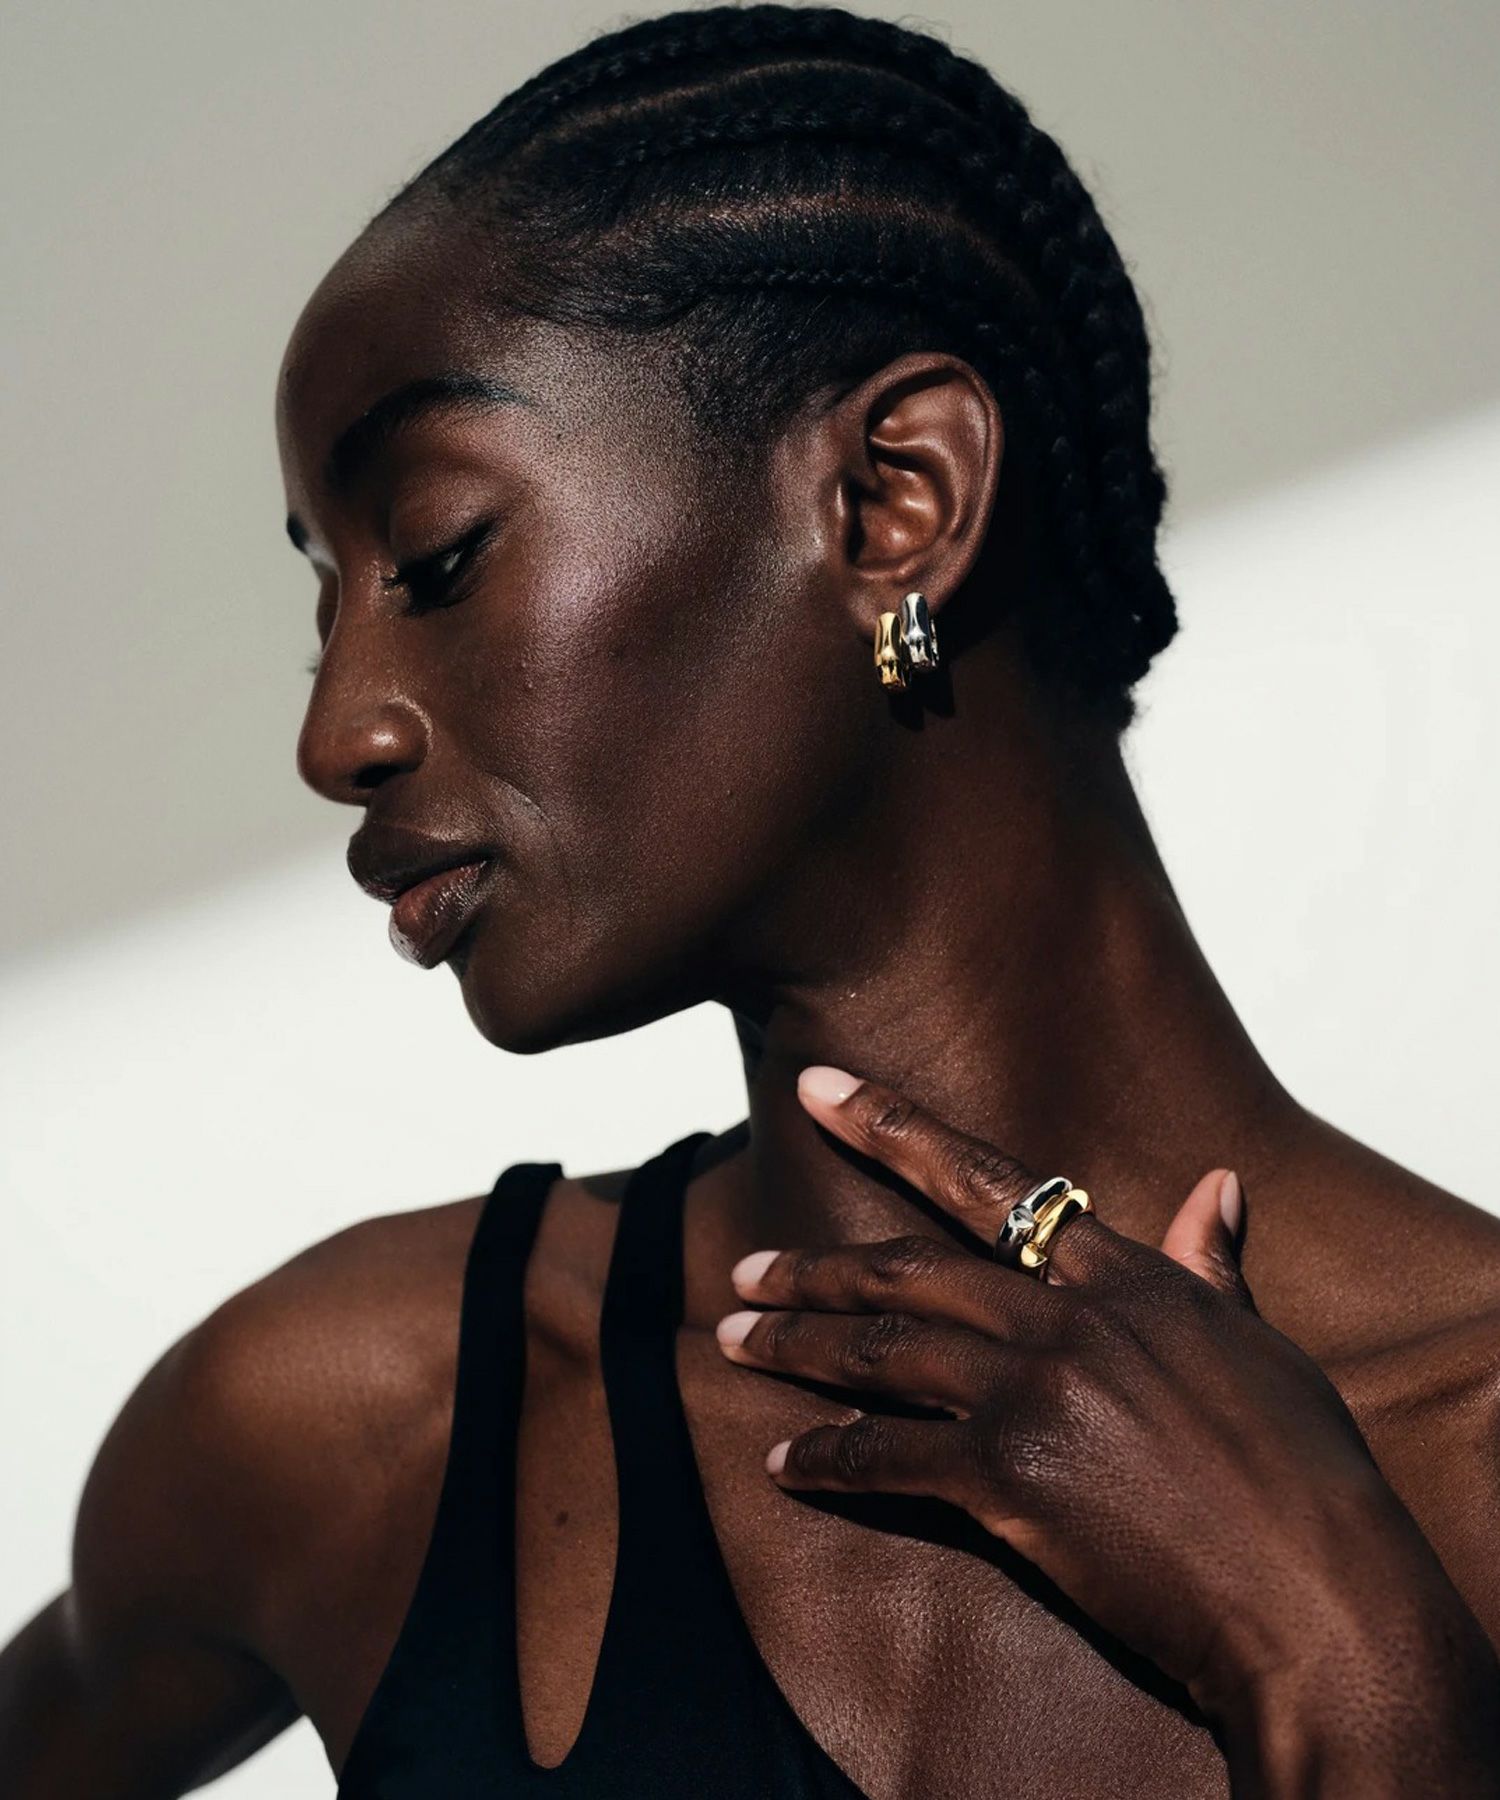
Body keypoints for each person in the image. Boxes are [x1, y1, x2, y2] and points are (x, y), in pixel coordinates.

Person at [3, 5, 1498, 1795]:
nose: (340, 734)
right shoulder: (353, 1430)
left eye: (440, 557)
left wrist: (1348, 1666)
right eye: (326, 608)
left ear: (892, 502)